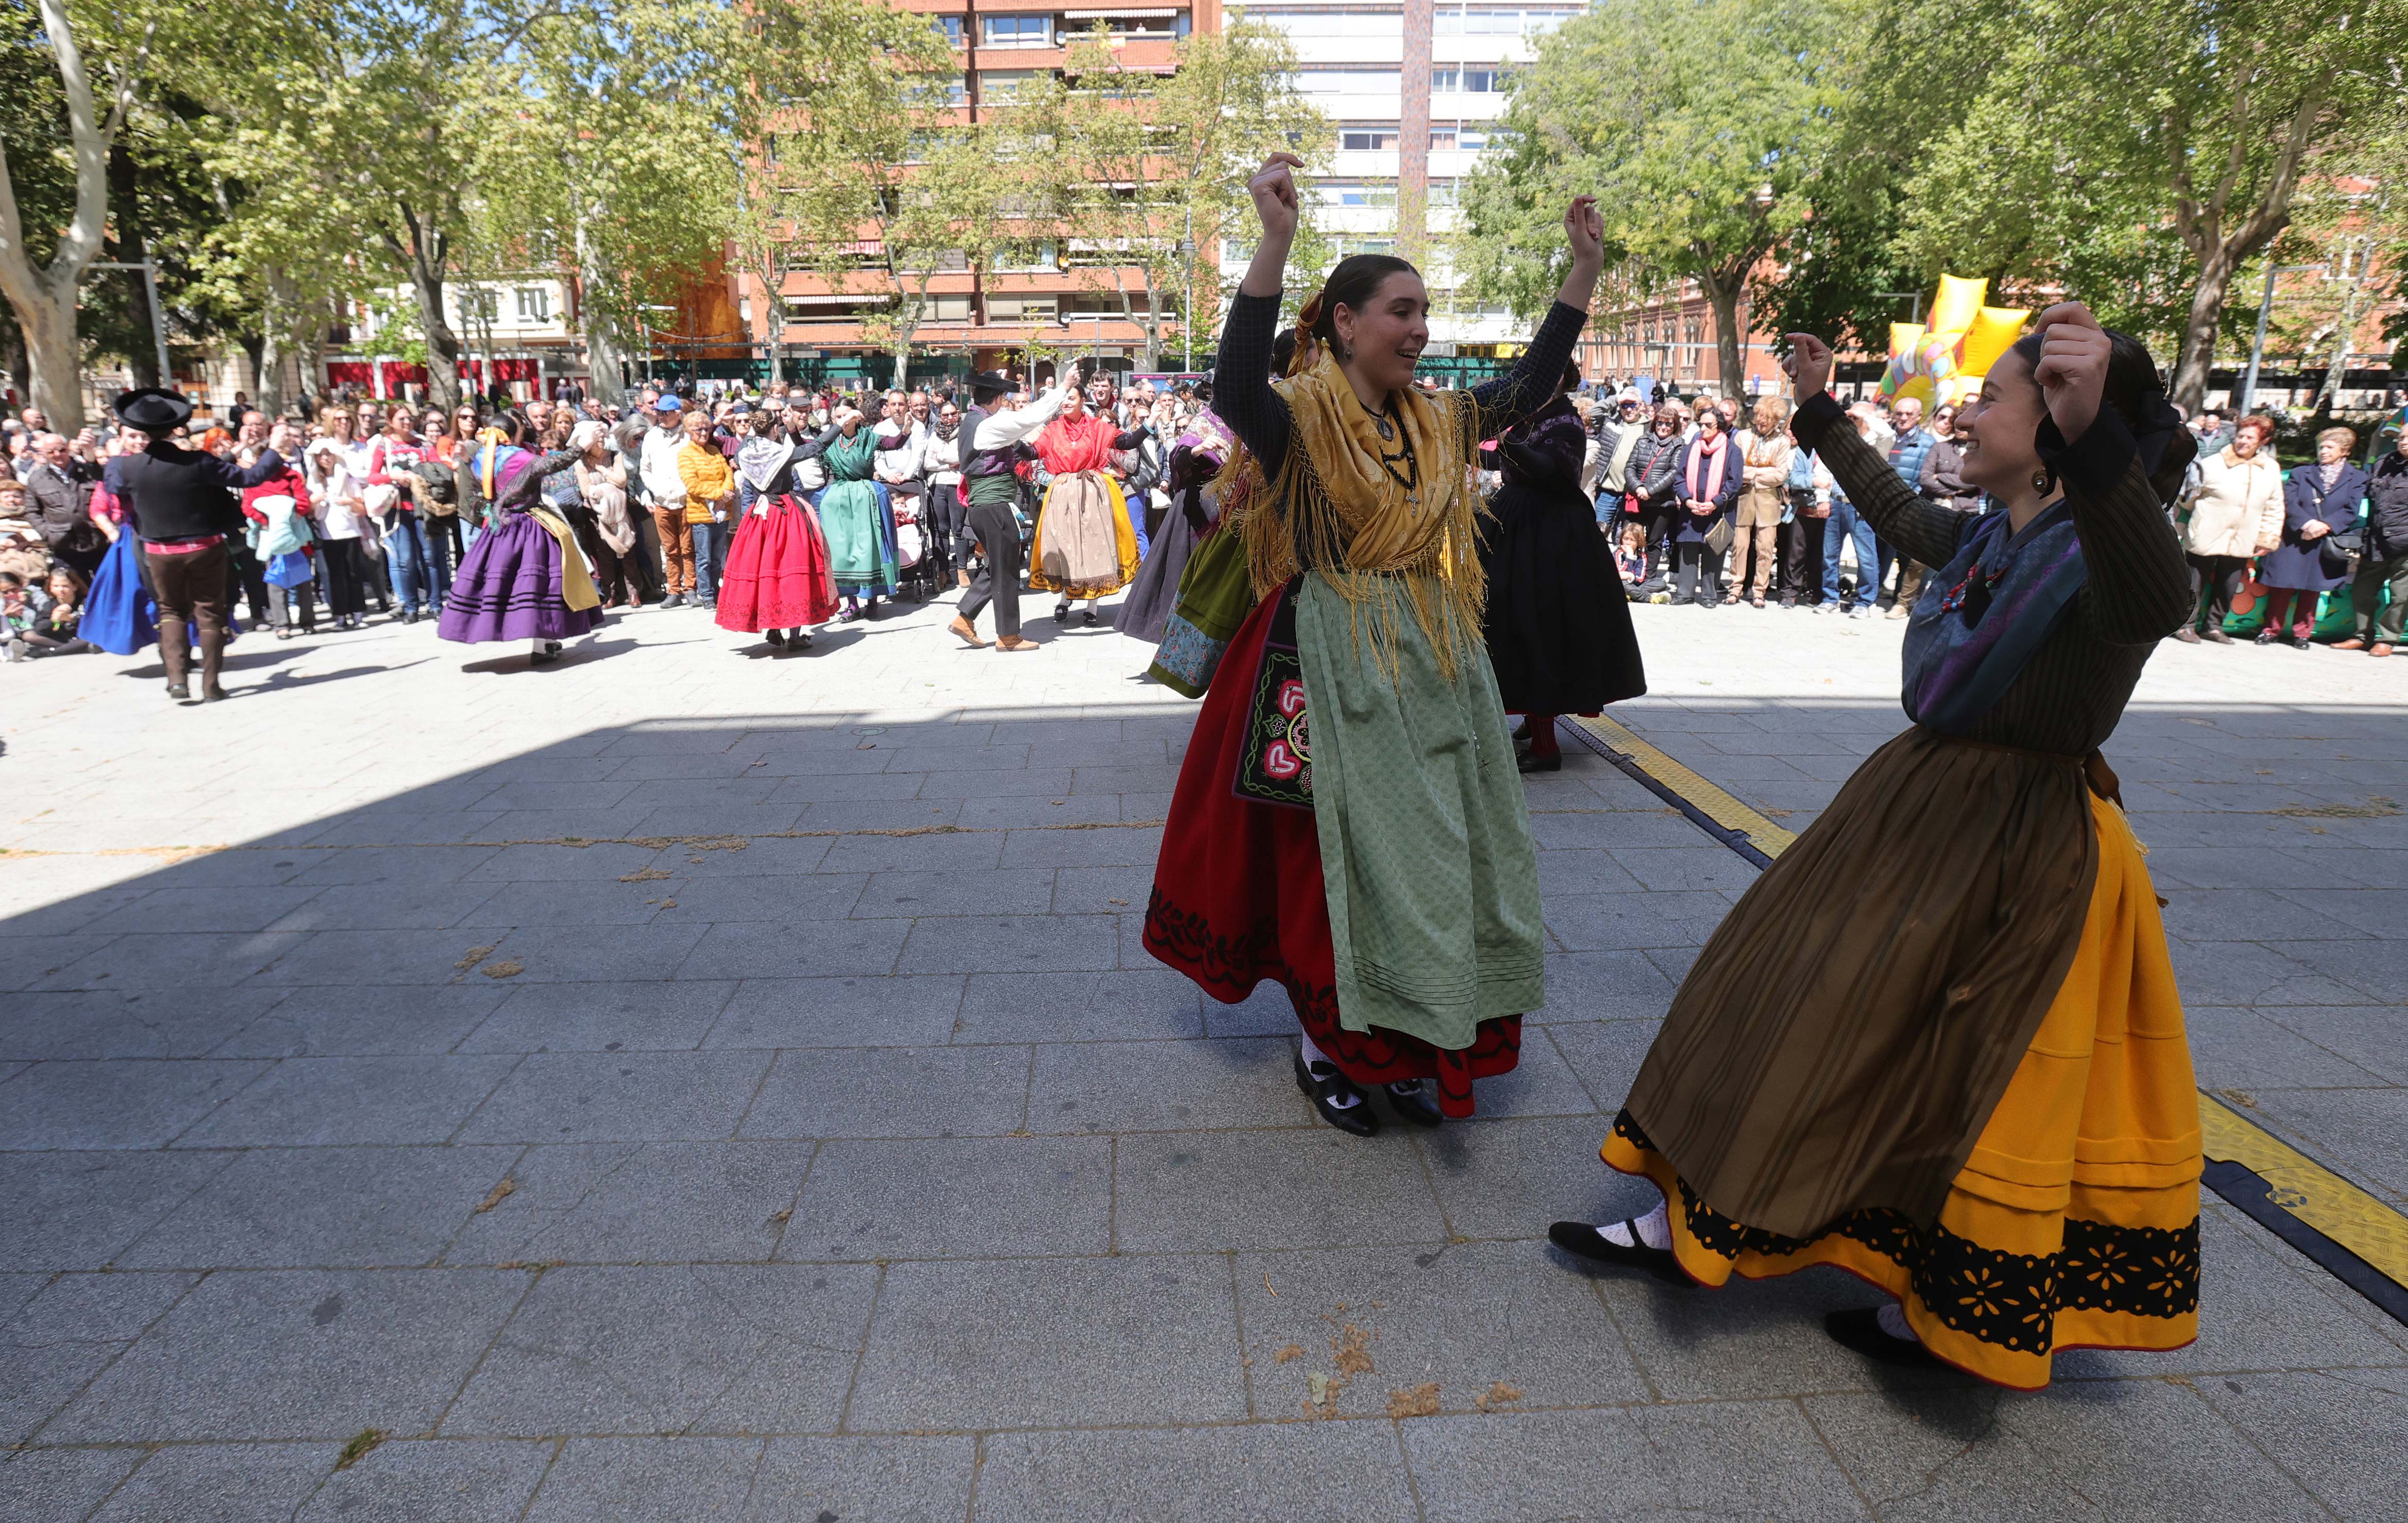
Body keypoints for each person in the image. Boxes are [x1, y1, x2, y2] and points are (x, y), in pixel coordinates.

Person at [1550, 304, 2203, 1391]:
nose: (1966, 408)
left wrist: (2093, 443)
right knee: (1807, 1002)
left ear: (2054, 422)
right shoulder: (2004, 532)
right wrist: (1816, 412)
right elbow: (1902, 513)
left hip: (2017, 846)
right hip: (1922, 809)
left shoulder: (2098, 550)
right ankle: (1711, 1221)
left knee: (1945, 1062)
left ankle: (1932, 1296)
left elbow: (2159, 590)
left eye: (1993, 395)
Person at [1143, 151, 1603, 1131]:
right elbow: (1232, 380)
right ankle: (1327, 1049)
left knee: (1431, 856)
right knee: (1328, 864)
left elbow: (1526, 384)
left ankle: (1401, 1033)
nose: (1419, 327)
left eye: (1423, 310)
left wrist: (1581, 275)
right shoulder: (1301, 422)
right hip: (1321, 658)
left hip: (1431, 657)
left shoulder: (1437, 420)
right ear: (1345, 324)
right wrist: (1272, 242)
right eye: (1400, 309)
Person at [1479, 357, 1645, 773]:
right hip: (1519, 525)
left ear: (1564, 381)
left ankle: (1544, 743)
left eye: (1547, 375)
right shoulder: (1533, 417)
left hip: (1550, 536)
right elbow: (1504, 464)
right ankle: (1532, 719)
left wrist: (1505, 440)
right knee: (1510, 624)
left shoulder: (1565, 422)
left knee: (1537, 629)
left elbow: (1545, 470)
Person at [98, 389, 293, 700]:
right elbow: (250, 477)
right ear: (175, 426)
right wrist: (273, 449)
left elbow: (115, 486)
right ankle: (211, 685)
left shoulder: (123, 467)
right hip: (204, 548)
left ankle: (177, 680)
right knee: (210, 613)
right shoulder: (198, 461)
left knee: (171, 611)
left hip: (158, 552)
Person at [437, 413, 604, 663]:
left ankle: (534, 639)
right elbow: (554, 464)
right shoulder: (520, 458)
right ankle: (542, 645)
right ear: (514, 434)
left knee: (504, 584)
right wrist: (583, 444)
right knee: (542, 584)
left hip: (498, 527)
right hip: (530, 524)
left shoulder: (480, 459)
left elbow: (475, 495)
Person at [949, 367, 1078, 652]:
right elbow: (1031, 417)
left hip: (985, 506)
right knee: (1007, 570)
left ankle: (964, 617)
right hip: (994, 505)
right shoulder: (988, 425)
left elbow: (1021, 444)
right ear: (996, 399)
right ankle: (1008, 636)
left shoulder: (973, 420)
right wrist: (1065, 386)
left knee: (998, 564)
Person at [718, 407, 840, 649]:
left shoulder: (745, 453)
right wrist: (839, 425)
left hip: (759, 515)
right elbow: (814, 448)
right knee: (793, 570)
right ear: (774, 429)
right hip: (785, 513)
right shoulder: (782, 453)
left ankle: (773, 627)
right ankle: (794, 635)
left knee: (766, 571)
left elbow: (753, 442)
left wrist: (771, 425)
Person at [1027, 385, 1146, 624]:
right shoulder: (1053, 430)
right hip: (1061, 493)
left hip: (1092, 491)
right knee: (1062, 545)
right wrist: (1011, 442)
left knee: (1095, 545)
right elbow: (1033, 453)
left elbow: (1126, 442)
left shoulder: (1098, 427)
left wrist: (1149, 425)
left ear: (1083, 400)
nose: (1066, 403)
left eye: (1071, 398)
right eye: (1064, 399)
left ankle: (1093, 605)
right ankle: (1063, 599)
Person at [2172, 413, 2282, 644]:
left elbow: (2274, 505)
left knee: (2229, 584)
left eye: (2250, 438)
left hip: (2243, 535)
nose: (2243, 441)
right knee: (2194, 581)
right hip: (2207, 531)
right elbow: (2188, 497)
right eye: (2241, 435)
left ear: (2263, 442)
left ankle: (2213, 626)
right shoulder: (2212, 464)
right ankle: (2185, 625)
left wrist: (2267, 537)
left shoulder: (2270, 468)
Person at [2256, 426, 2366, 650]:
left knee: (2312, 590)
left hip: (2324, 540)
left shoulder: (2357, 478)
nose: (2323, 451)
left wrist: (2324, 526)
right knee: (2282, 587)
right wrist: (2307, 524)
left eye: (2329, 447)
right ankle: (2270, 630)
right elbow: (2289, 502)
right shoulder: (2301, 473)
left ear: (2345, 451)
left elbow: (2351, 509)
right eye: (2321, 447)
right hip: (2296, 539)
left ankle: (2302, 633)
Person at [816, 402, 910, 621]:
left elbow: (892, 443)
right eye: (838, 417)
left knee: (869, 549)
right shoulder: (829, 440)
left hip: (865, 496)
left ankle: (872, 601)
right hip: (839, 499)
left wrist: (905, 431)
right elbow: (803, 445)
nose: (843, 420)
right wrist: (791, 428)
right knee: (843, 552)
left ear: (856, 418)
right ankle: (851, 604)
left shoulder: (868, 437)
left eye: (847, 415)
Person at [2337, 426, 2407, 657]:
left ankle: (2387, 639)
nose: (2404, 441)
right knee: (2363, 591)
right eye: (2402, 437)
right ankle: (2361, 636)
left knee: (2401, 596)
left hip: (2405, 544)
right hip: (2377, 541)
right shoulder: (2384, 462)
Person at [1667, 402, 1739, 607]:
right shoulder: (1692, 447)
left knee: (1714, 553)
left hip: (1719, 511)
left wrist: (1715, 502)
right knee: (1688, 551)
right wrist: (1687, 499)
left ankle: (1709, 596)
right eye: (1701, 424)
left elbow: (1734, 482)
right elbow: (1680, 476)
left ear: (1720, 427)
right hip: (1691, 509)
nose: (1702, 429)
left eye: (1708, 425)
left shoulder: (1732, 450)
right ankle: (1684, 593)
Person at [1818, 405, 1881, 616]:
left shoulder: (1876, 441)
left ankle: (1865, 602)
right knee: (1830, 554)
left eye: (1855, 417)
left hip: (1860, 505)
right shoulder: (1838, 440)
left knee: (1866, 556)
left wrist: (1866, 417)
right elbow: (1823, 469)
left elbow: (1887, 435)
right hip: (1836, 501)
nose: (1850, 420)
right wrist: (1822, 499)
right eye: (1849, 416)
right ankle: (1830, 598)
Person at [1730, 398, 1792, 608]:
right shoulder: (1742, 437)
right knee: (1740, 545)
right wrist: (1763, 473)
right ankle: (1736, 587)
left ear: (1776, 420)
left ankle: (1759, 590)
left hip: (1768, 501)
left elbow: (1781, 475)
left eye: (1767, 419)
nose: (1761, 422)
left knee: (1765, 548)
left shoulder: (1782, 442)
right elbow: (1736, 470)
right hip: (1744, 497)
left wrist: (1753, 474)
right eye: (1759, 417)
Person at [1881, 396, 1940, 617]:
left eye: (1909, 414)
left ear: (1918, 417)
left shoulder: (1927, 443)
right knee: (1878, 551)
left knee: (1906, 557)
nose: (1903, 418)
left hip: (1909, 507)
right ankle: (1876, 590)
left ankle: (1900, 601)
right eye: (1900, 414)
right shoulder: (1886, 436)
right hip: (1881, 504)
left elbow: (1924, 477)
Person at [1622, 402, 1685, 597]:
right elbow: (1630, 467)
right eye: (1660, 424)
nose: (1663, 428)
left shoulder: (1679, 444)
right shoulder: (1643, 441)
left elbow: (1674, 472)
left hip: (1662, 502)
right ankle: (1627, 573)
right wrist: (1639, 487)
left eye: (1668, 425)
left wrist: (1650, 490)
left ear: (1675, 426)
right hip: (1638, 499)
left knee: (1655, 542)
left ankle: (1647, 579)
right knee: (1631, 537)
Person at [677, 407, 736, 611]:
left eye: (705, 429)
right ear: (688, 431)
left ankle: (717, 592)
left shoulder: (714, 451)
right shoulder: (685, 454)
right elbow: (692, 485)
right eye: (698, 430)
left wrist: (725, 493)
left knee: (718, 558)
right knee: (704, 558)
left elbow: (728, 473)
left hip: (721, 513)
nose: (703, 433)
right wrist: (719, 495)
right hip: (701, 514)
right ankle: (707, 594)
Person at [641, 396, 695, 607]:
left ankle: (691, 588)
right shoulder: (651, 437)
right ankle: (674, 590)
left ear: (678, 414)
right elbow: (644, 468)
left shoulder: (688, 436)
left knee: (689, 548)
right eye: (659, 413)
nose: (661, 416)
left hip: (686, 499)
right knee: (670, 548)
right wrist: (655, 489)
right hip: (662, 500)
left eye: (665, 413)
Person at [1780, 425, 1833, 608]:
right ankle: (1789, 592)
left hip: (1830, 511)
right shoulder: (1805, 451)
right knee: (1796, 552)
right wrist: (1814, 481)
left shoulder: (1837, 452)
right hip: (1804, 508)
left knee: (1822, 554)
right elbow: (1795, 478)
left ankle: (1818, 592)